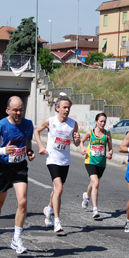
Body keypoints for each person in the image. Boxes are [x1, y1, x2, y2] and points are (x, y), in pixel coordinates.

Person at [0, 96, 35, 254]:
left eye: (21, 110)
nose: (18, 113)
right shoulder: (0, 126)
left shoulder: (28, 124)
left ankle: (17, 238)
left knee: (23, 201)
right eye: (15, 110)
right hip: (2, 167)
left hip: (19, 166)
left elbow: (27, 142)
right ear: (8, 110)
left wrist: (29, 152)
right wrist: (2, 150)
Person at [34, 95, 80, 233]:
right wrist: (41, 147)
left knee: (56, 190)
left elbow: (76, 143)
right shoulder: (50, 121)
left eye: (68, 108)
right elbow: (36, 131)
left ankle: (48, 209)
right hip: (52, 159)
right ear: (57, 108)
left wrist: (77, 139)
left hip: (65, 161)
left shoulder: (73, 123)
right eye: (64, 107)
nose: (66, 110)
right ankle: (57, 221)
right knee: (59, 189)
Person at [79, 112, 113, 219]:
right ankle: (95, 209)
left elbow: (111, 149)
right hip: (90, 161)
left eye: (104, 121)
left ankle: (86, 196)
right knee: (96, 183)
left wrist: (110, 154)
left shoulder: (107, 134)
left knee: (93, 184)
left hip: (101, 163)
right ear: (96, 121)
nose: (103, 123)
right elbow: (82, 141)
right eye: (101, 121)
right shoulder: (90, 133)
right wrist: (83, 149)